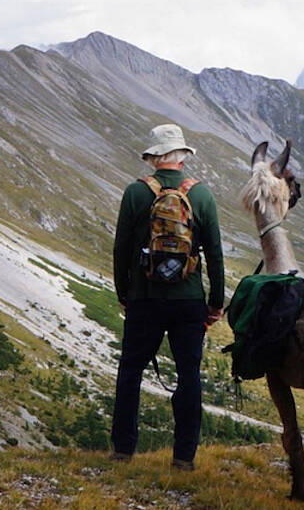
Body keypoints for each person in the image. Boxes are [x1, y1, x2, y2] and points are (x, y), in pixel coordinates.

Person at [110, 123, 226, 470]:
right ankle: (183, 457)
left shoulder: (135, 192)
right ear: (182, 157)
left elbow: (121, 248)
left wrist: (124, 293)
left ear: (155, 158)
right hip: (188, 301)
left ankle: (123, 450)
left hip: (144, 298)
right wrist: (215, 303)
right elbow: (216, 253)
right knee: (189, 375)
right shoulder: (202, 195)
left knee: (130, 372)